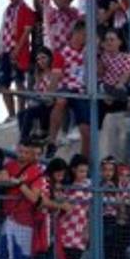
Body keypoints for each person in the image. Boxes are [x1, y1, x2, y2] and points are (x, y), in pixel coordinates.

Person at [1, 140, 49, 259]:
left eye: (25, 152)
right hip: (8, 218)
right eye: (20, 151)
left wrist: (20, 185)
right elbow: (0, 179)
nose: (22, 155)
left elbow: (35, 198)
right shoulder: (9, 166)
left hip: (25, 221)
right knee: (4, 256)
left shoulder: (36, 171)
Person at [0, 0, 37, 120]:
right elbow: (3, 31)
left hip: (19, 51)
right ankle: (11, 114)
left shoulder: (26, 10)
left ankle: (21, 113)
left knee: (19, 81)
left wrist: (17, 49)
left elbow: (27, 31)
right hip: (5, 50)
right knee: (2, 82)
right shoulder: (7, 11)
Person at [49, 21, 92, 158]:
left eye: (86, 35)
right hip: (66, 88)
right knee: (60, 101)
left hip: (81, 91)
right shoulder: (62, 53)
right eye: (83, 35)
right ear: (76, 33)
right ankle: (52, 141)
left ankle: (83, 161)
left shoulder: (88, 52)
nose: (84, 38)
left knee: (86, 131)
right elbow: (55, 76)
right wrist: (50, 94)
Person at [54, 156, 92, 259]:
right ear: (74, 170)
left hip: (79, 230)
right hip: (64, 228)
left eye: (85, 171)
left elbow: (90, 212)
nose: (84, 174)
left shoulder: (89, 187)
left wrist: (87, 231)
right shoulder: (65, 186)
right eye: (81, 171)